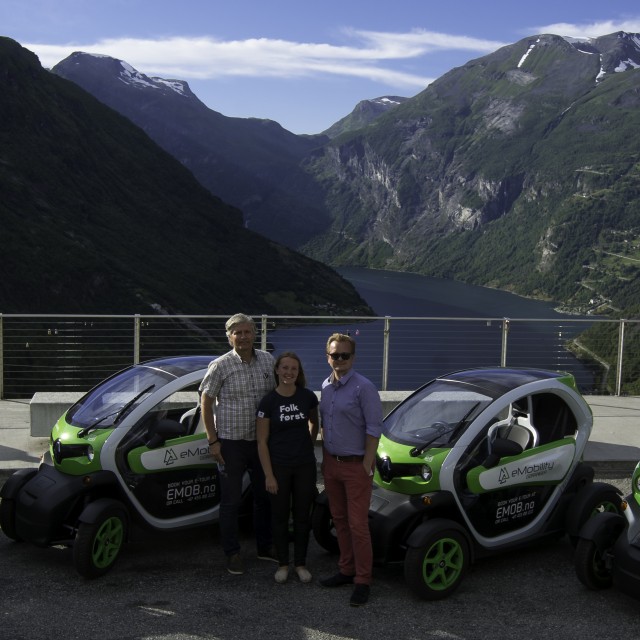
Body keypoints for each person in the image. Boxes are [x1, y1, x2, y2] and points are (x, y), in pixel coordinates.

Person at [200, 313, 276, 575]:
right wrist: (213, 441)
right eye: (237, 333)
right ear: (229, 336)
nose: (243, 337)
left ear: (254, 334)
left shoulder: (267, 360)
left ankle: (265, 547)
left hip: (261, 443)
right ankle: (232, 553)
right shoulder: (220, 365)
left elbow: (277, 396)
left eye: (247, 332)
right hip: (230, 443)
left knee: (263, 497)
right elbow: (206, 402)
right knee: (231, 501)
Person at [319, 332, 383, 607]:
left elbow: (374, 429)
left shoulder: (363, 388)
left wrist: (367, 464)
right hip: (332, 463)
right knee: (340, 520)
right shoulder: (325, 386)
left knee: (358, 526)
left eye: (345, 355)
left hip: (356, 466)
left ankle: (363, 579)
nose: (340, 359)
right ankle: (346, 569)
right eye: (335, 355)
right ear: (328, 357)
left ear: (353, 358)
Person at [256, 352, 319, 584]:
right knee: (280, 517)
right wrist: (268, 475)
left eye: (293, 369)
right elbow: (261, 441)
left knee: (303, 517)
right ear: (277, 371)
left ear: (298, 372)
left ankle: (300, 563)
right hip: (278, 467)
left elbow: (314, 423)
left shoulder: (308, 397)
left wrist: (307, 447)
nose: (289, 372)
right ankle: (283, 564)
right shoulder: (268, 402)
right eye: (284, 368)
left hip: (304, 465)